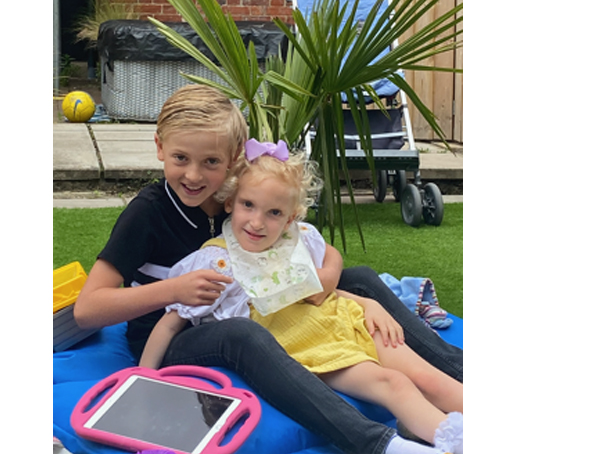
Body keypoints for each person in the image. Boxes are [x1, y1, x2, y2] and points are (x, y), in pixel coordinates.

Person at [73, 84, 463, 454]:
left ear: (234, 159)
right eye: (181, 159)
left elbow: (320, 254)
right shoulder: (148, 213)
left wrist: (337, 289)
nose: (194, 176)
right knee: (240, 334)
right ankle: (376, 443)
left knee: (360, 278)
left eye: (210, 162)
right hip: (177, 334)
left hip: (254, 303)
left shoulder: (241, 199)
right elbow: (88, 309)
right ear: (160, 148)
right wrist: (173, 291)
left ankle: (459, 373)